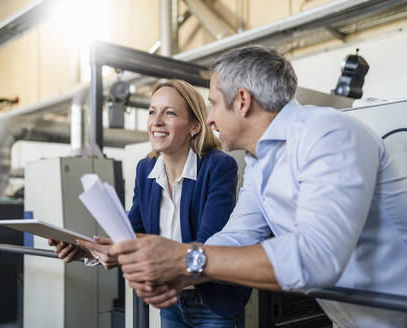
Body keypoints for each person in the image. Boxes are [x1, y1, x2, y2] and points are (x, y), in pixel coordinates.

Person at [110, 46, 407, 328]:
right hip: (350, 319)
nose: (209, 117)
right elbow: (237, 236)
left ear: (242, 100)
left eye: (213, 103)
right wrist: (179, 270)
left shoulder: (328, 133)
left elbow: (317, 258)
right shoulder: (259, 160)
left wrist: (184, 259)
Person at [51, 79, 251, 327]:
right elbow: (131, 231)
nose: (156, 121)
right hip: (169, 298)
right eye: (152, 112)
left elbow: (208, 243)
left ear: (194, 126)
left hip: (212, 301)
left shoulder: (218, 166)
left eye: (169, 113)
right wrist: (88, 249)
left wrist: (122, 251)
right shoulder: (145, 170)